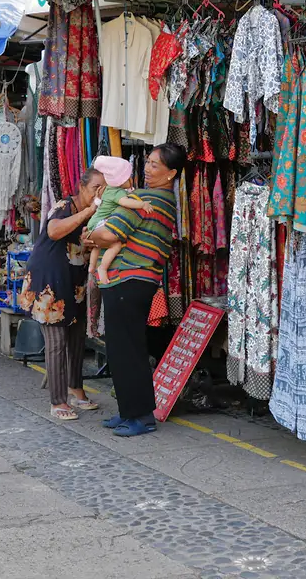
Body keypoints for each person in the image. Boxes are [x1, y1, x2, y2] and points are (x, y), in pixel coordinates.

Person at [85, 143, 185, 437]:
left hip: (129, 279)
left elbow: (108, 233)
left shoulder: (146, 198)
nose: (148, 168)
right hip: (133, 281)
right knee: (121, 348)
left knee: (128, 349)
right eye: (148, 162)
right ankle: (128, 411)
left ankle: (141, 416)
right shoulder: (163, 199)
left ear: (171, 173)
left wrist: (91, 236)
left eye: (155, 165)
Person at [19, 168, 106, 419]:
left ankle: (75, 389)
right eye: (95, 188)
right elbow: (54, 231)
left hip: (72, 281)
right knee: (56, 341)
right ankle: (58, 401)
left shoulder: (96, 213)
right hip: (50, 283)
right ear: (81, 186)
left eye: (103, 189)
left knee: (77, 338)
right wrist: (89, 211)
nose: (98, 194)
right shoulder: (64, 206)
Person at [85, 156, 153, 284]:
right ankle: (102, 268)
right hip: (100, 223)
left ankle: (91, 266)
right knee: (115, 245)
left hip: (94, 222)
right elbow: (125, 202)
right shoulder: (118, 193)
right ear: (121, 180)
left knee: (97, 245)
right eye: (129, 177)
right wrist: (142, 205)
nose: (131, 179)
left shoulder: (108, 189)